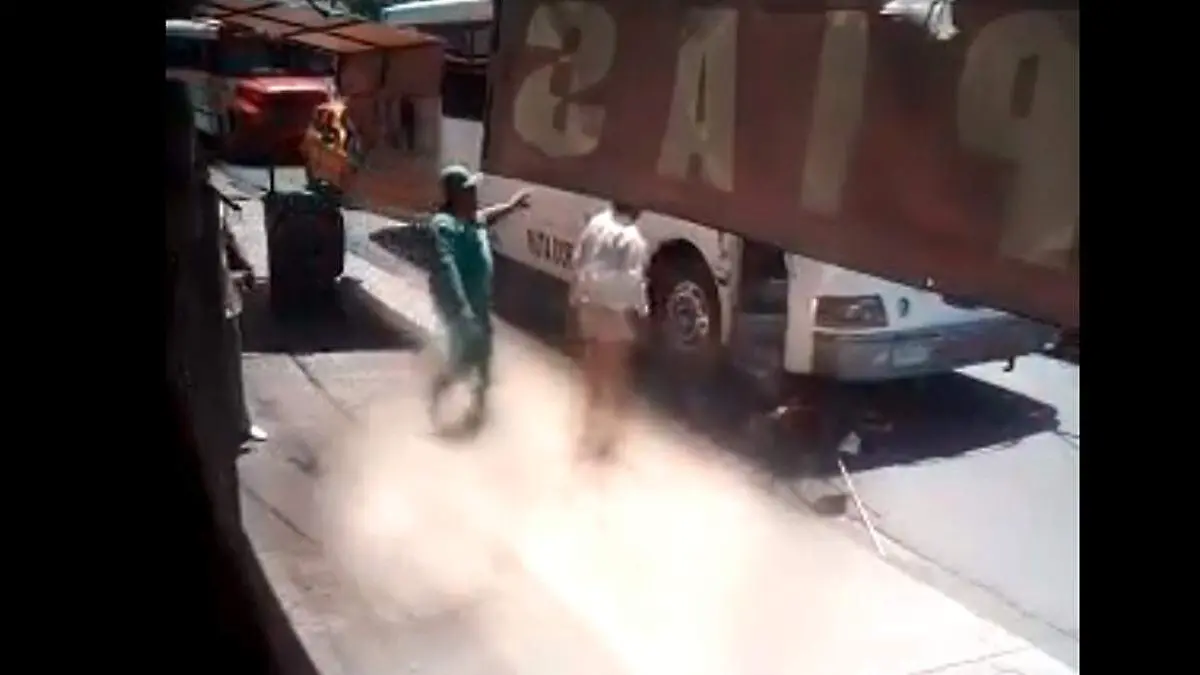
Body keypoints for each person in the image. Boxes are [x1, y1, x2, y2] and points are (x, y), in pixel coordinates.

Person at [427, 165, 531, 431]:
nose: (475, 195)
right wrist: (461, 307)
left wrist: (512, 206)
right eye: (470, 190)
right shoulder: (444, 225)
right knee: (464, 360)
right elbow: (447, 264)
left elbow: (489, 216)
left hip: (479, 304)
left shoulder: (473, 218)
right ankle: (439, 392)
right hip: (461, 307)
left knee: (483, 357)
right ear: (456, 195)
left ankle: (479, 412)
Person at [569, 201, 650, 459]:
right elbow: (632, 283)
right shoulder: (633, 238)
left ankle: (589, 422)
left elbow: (578, 259)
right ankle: (608, 437)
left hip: (588, 303)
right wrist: (643, 313)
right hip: (614, 311)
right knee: (616, 371)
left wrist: (575, 296)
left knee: (594, 364)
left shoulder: (596, 223)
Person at [218, 197, 268, 447]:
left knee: (230, 360)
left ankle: (240, 423)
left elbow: (226, 235)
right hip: (193, 295)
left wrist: (244, 264)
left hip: (221, 292)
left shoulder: (210, 199)